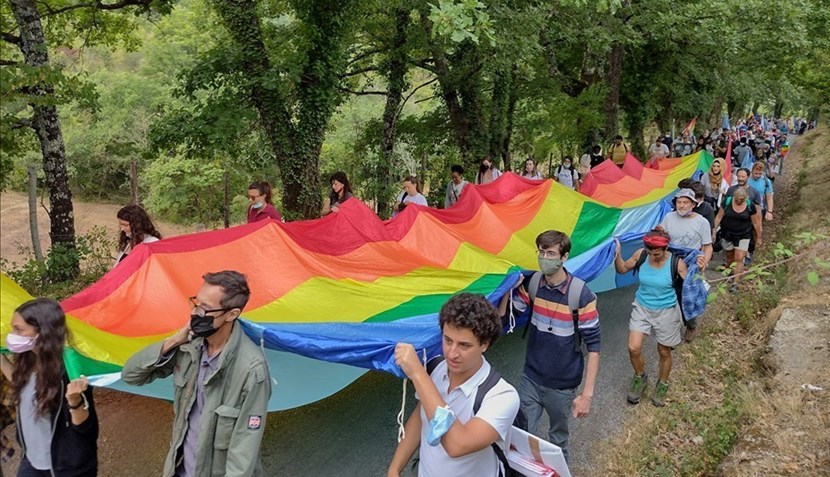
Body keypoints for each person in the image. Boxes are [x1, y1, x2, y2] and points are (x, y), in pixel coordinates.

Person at [121, 271, 271, 477]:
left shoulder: (252, 369)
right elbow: (131, 375)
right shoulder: (189, 347)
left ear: (231, 314)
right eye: (196, 303)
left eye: (205, 308)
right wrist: (173, 341)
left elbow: (243, 453)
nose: (196, 313)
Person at [387, 293, 520, 477]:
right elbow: (421, 415)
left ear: (484, 344)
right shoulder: (435, 367)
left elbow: (457, 445)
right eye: (447, 340)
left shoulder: (502, 396)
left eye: (464, 345)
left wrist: (418, 374)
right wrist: (394, 469)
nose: (452, 353)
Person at [497, 230, 600, 462]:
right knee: (520, 436)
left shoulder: (581, 295)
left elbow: (594, 347)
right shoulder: (532, 283)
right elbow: (506, 317)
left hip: (562, 387)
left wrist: (587, 395)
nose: (545, 257)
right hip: (530, 379)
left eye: (551, 253)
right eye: (541, 252)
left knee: (558, 441)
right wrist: (505, 290)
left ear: (564, 257)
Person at [1, 298, 98, 476]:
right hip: (31, 461)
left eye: (18, 329)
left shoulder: (68, 370)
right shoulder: (27, 360)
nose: (12, 334)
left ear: (42, 331)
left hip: (65, 467)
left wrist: (74, 401)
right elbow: (20, 384)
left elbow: (85, 428)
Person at [614, 229, 688, 407]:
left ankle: (662, 384)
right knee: (633, 347)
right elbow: (622, 268)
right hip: (642, 308)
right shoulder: (641, 255)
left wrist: (699, 270)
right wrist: (616, 254)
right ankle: (640, 377)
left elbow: (694, 288)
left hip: (666, 311)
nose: (652, 256)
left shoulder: (677, 264)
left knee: (664, 351)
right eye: (649, 252)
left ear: (666, 248)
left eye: (656, 253)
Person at [713, 187, 762, 293]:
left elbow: (755, 222)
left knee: (739, 258)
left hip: (743, 234)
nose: (739, 201)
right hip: (728, 233)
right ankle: (731, 273)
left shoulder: (750, 205)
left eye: (742, 200)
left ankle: (735, 283)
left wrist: (759, 237)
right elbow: (719, 217)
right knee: (730, 256)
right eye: (737, 199)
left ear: (746, 198)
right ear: (733, 197)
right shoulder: (727, 201)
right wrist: (713, 231)